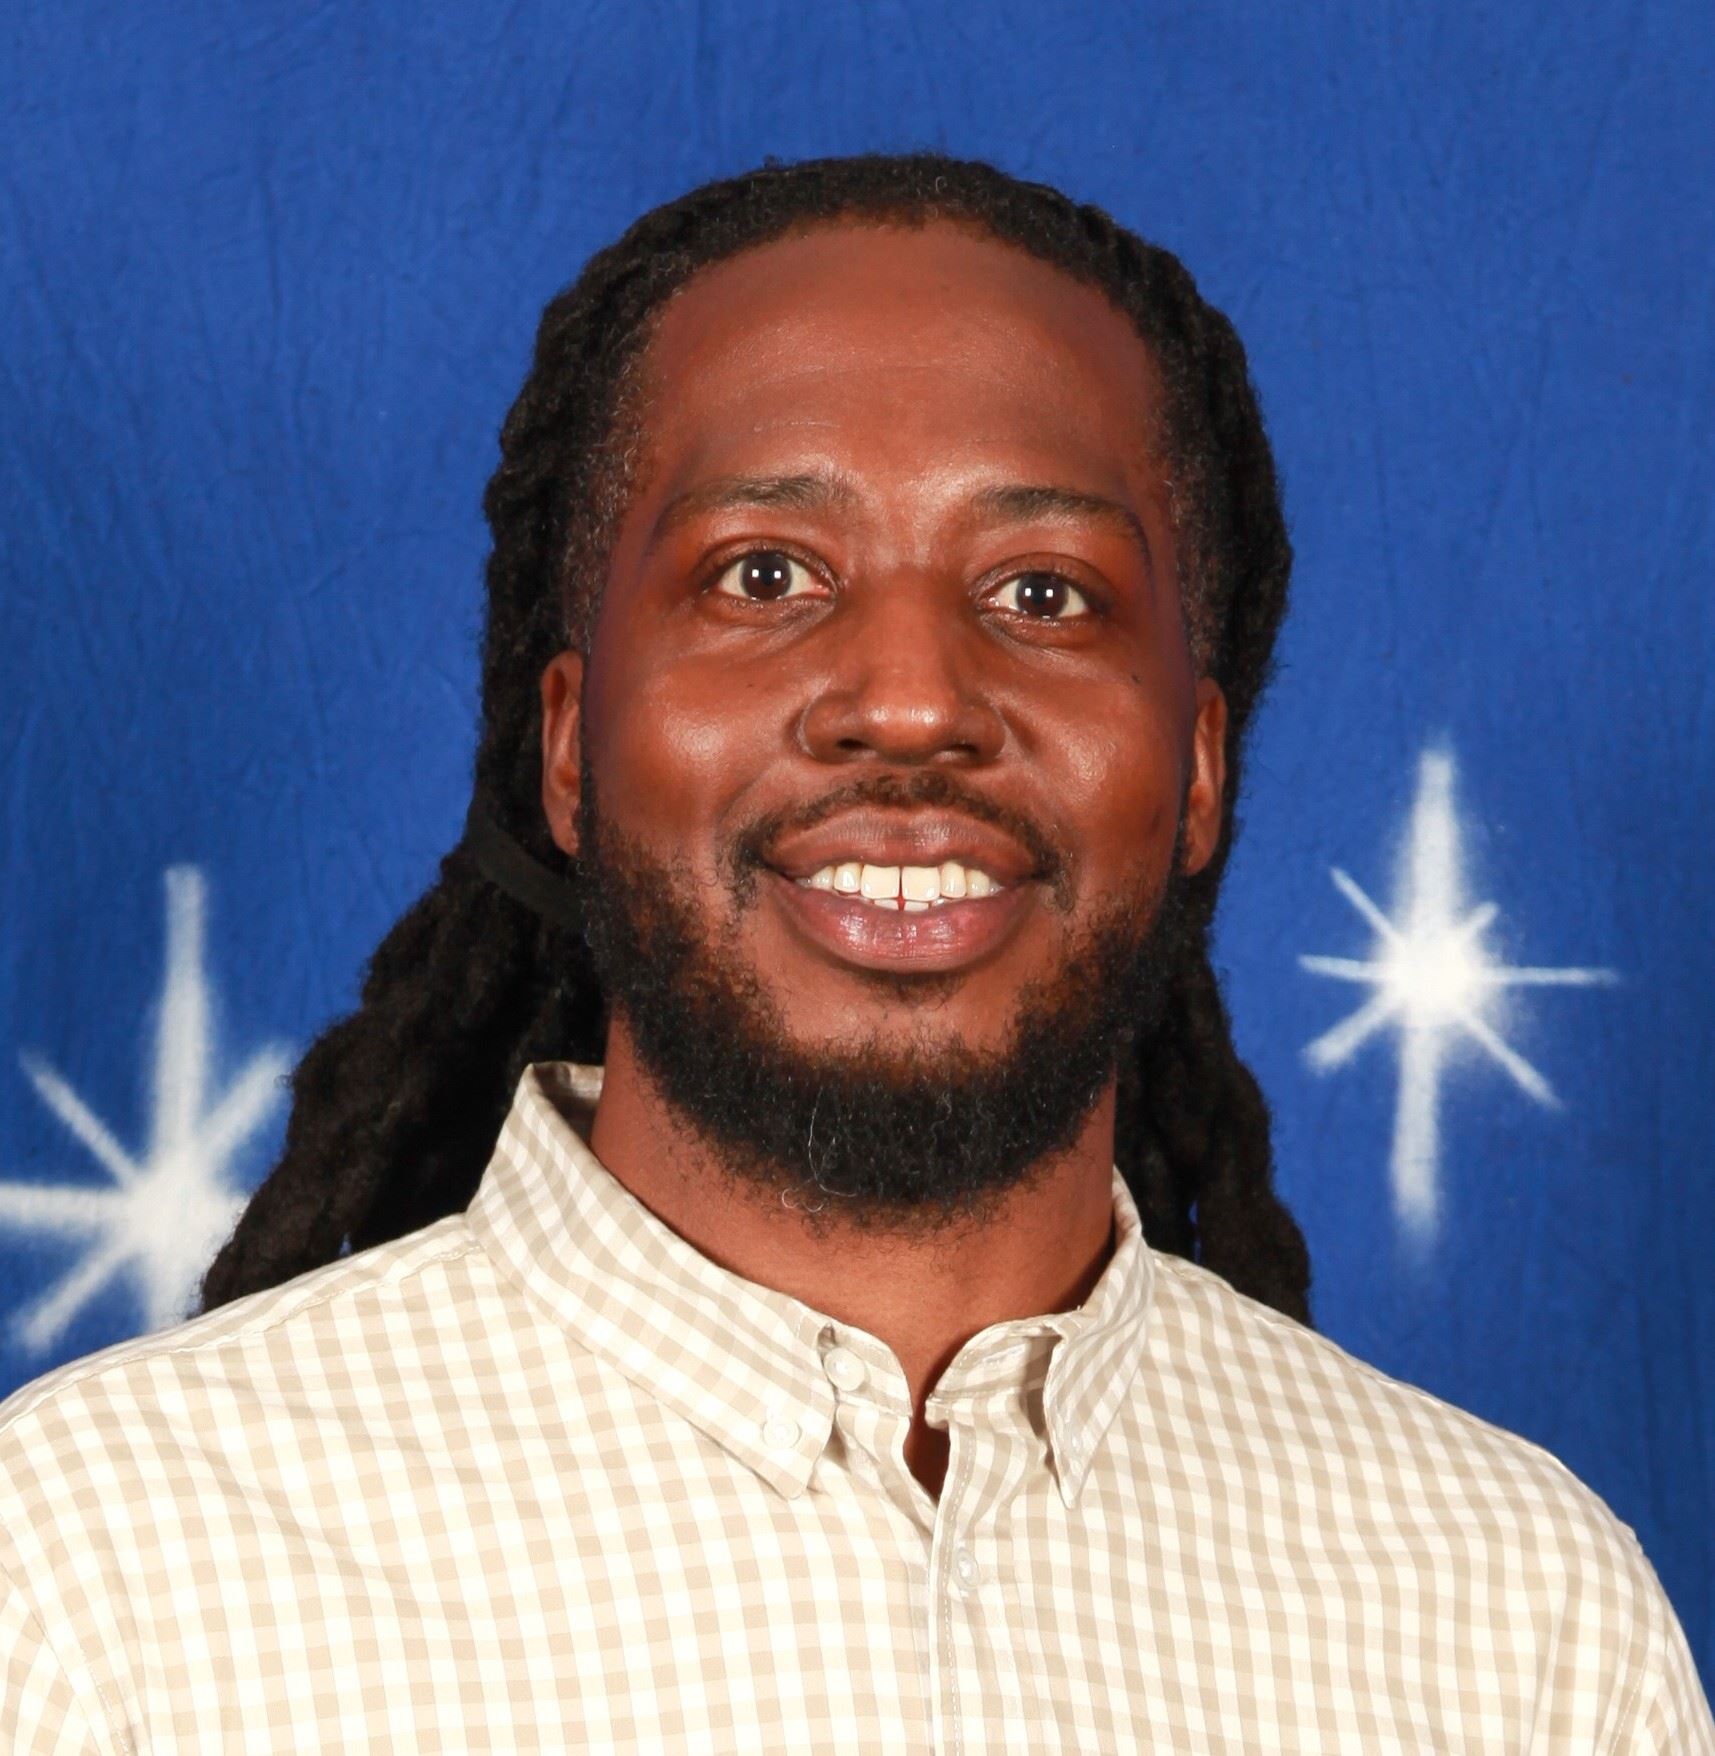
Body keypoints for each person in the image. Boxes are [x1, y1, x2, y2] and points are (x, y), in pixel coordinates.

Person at [1, 152, 1708, 1752]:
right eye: (765, 574)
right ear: (570, 750)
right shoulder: (91, 1585)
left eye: (1043, 593)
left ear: (1199, 770)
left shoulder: (1522, 1630)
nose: (909, 702)